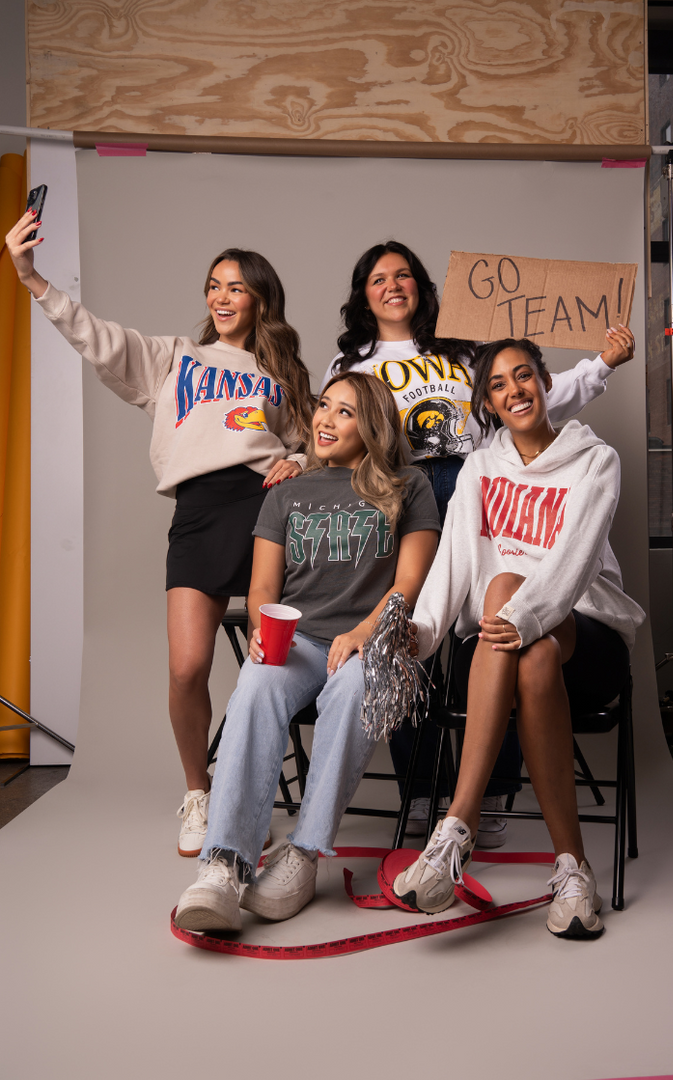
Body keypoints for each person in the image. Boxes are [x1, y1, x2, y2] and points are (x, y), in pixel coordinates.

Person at [5, 210, 312, 857]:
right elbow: (95, 335)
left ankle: (247, 792)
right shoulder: (174, 358)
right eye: (213, 285)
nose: (220, 297)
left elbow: (321, 442)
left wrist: (301, 462)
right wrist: (31, 277)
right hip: (200, 512)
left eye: (234, 286)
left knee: (268, 667)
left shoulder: (282, 374)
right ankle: (199, 792)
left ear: (260, 297)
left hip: (264, 513)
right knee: (187, 666)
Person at [325, 240, 636, 842]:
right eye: (379, 279)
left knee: (506, 614)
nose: (394, 286)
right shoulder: (352, 367)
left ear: (421, 286)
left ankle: (493, 790)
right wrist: (297, 458)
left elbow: (528, 397)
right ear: (363, 295)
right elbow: (337, 427)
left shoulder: (464, 348)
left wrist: (600, 366)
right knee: (409, 628)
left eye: (405, 275)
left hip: (476, 482)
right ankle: (421, 789)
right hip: (403, 492)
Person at [391, 336, 645, 939]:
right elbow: (452, 563)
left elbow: (574, 565)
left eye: (523, 375)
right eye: (499, 384)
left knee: (505, 585)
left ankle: (455, 827)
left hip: (589, 631)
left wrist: (519, 613)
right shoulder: (479, 468)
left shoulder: (595, 461)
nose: (514, 390)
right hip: (512, 654)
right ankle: (574, 870)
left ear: (544, 382)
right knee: (531, 661)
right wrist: (421, 632)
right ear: (487, 403)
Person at [174, 372, 440, 933]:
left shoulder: (408, 485)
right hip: (301, 638)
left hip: (375, 641)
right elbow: (265, 588)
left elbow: (409, 582)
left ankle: (302, 853)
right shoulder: (288, 492)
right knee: (256, 686)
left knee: (352, 688)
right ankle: (224, 864)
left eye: (344, 412)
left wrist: (364, 633)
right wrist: (269, 636)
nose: (324, 418)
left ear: (371, 427)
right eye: (324, 406)